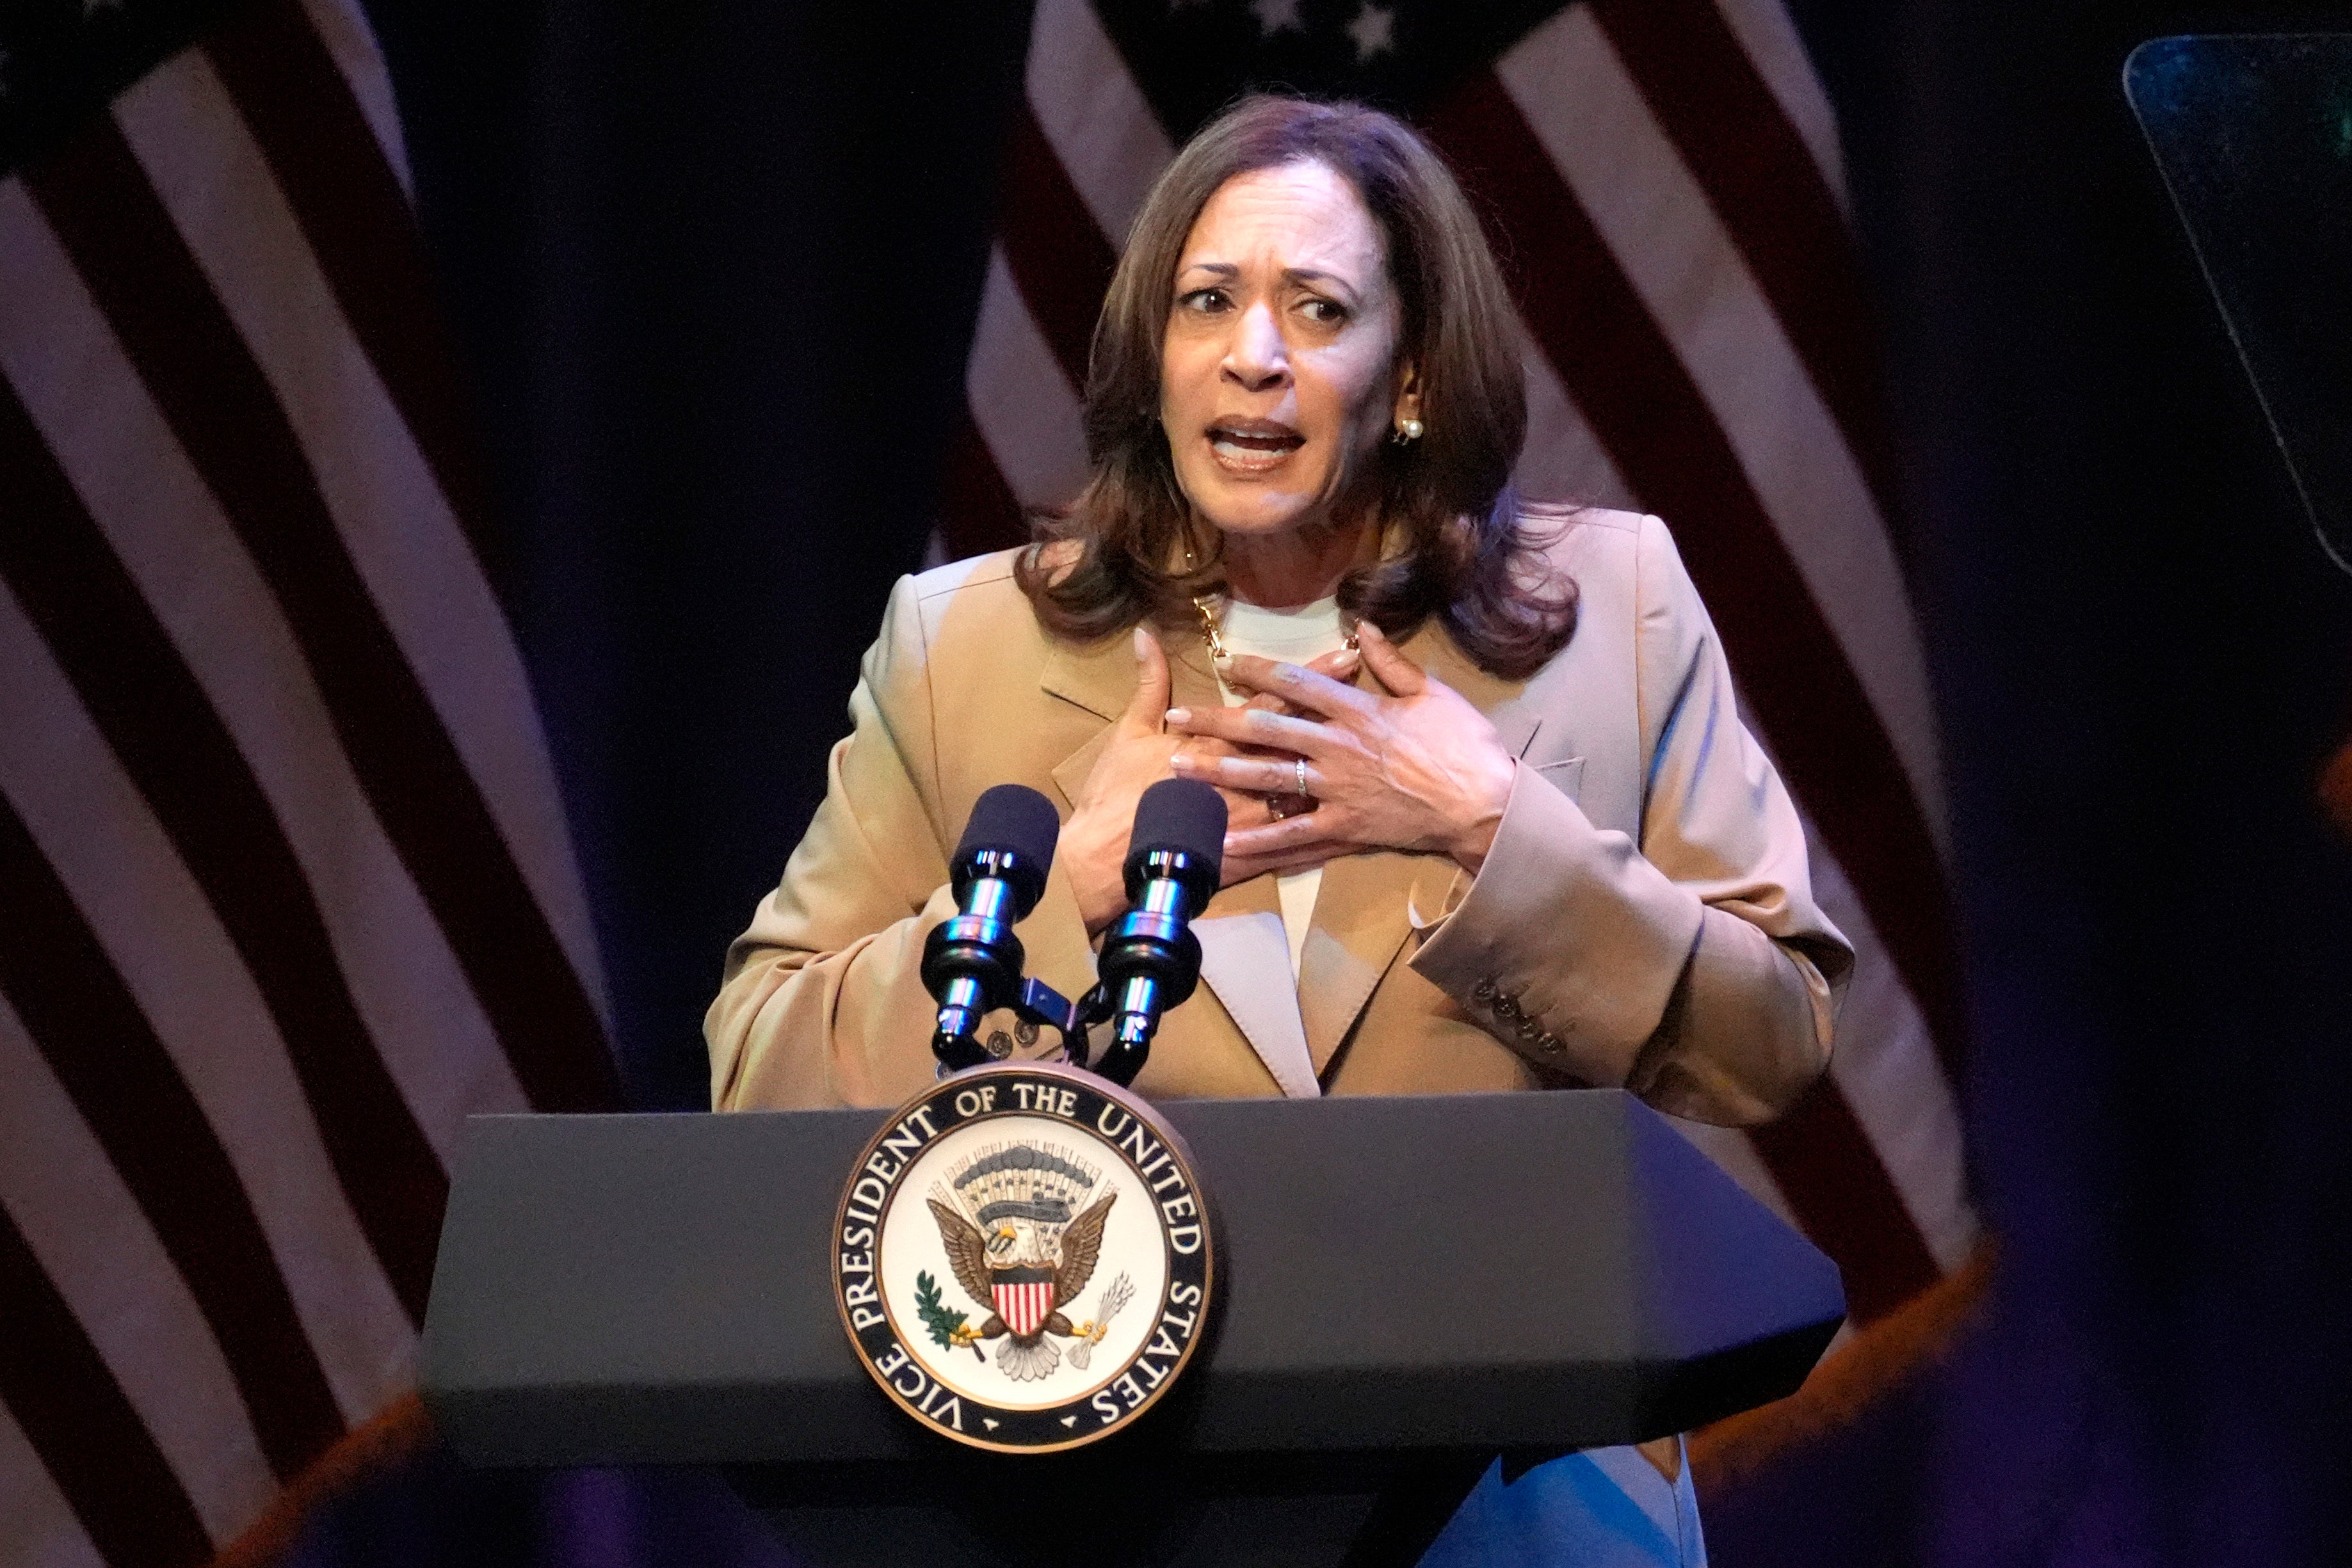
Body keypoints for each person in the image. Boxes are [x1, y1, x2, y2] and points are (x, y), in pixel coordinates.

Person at [707, 94, 1851, 1568]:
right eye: (1208, 302)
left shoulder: (1608, 611)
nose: (1254, 353)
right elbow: (760, 1064)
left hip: (1520, 1504)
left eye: (1316, 307)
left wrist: (1493, 830)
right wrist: (1066, 892)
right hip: (1109, 1497)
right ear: (1155, 358)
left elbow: (1774, 1040)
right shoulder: (964, 644)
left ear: (1415, 374)